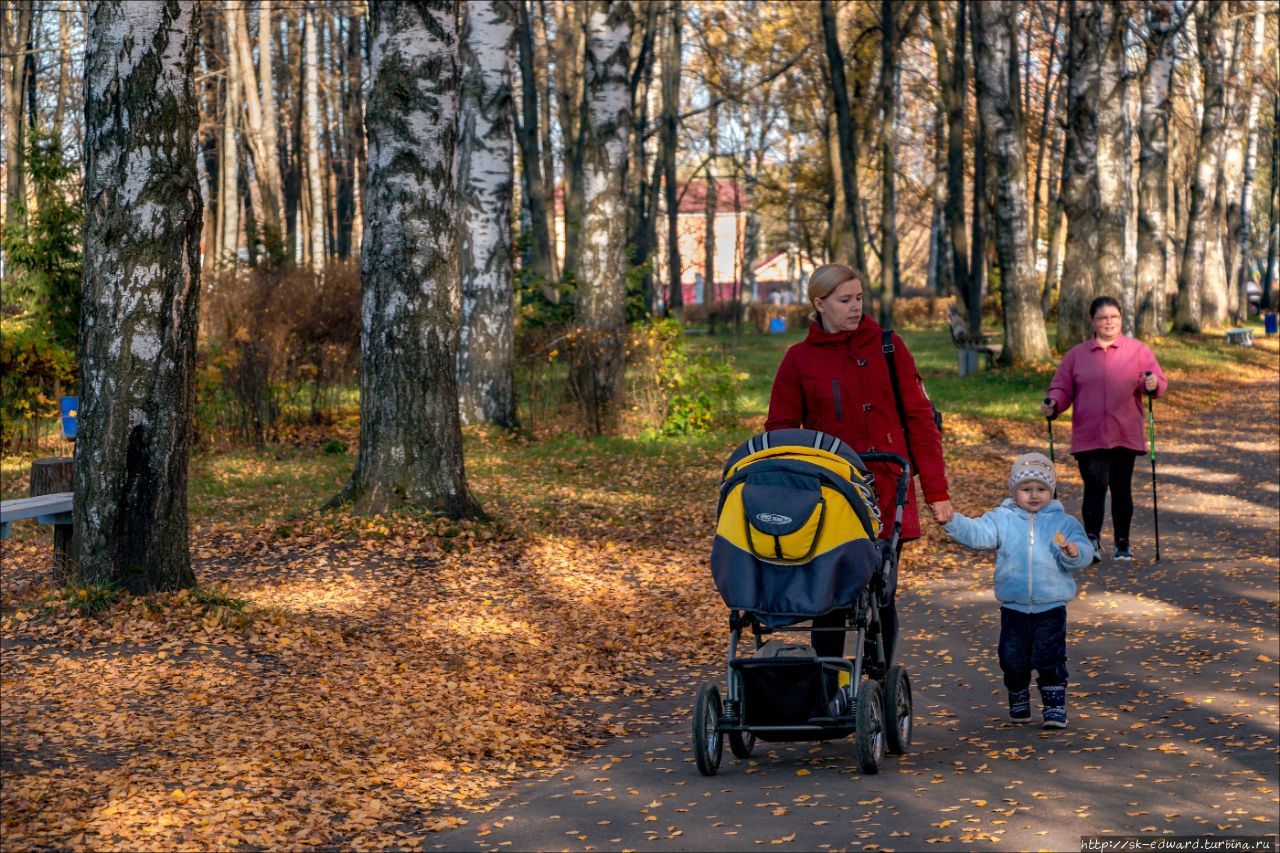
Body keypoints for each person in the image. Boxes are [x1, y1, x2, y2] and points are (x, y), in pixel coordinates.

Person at [765, 263, 952, 671]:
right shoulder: (798, 360)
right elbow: (779, 431)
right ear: (820, 304)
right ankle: (830, 682)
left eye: (859, 298)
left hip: (887, 488)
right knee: (828, 594)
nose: (855, 308)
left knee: (879, 589)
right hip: (827, 495)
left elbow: (920, 419)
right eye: (845, 300)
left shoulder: (889, 346)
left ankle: (877, 679)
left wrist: (937, 492)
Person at [943, 453, 1093, 729]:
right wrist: (952, 521)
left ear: (1051, 491)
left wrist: (1074, 552)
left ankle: (1054, 706)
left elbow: (1084, 552)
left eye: (1041, 489)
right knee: (1012, 660)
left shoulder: (1064, 523)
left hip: (1051, 607)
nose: (1034, 495)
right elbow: (977, 533)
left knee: (1050, 658)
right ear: (1015, 491)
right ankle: (1018, 695)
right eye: (1026, 489)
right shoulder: (1004, 518)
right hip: (1014, 608)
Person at [1041, 295, 1168, 562]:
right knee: (1095, 487)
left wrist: (1153, 384)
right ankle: (1092, 542)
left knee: (1122, 488)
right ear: (1093, 321)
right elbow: (1061, 389)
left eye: (1114, 317)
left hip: (1125, 432)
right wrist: (1054, 404)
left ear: (1121, 319)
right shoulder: (1077, 355)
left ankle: (1123, 543)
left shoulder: (1138, 350)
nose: (1109, 322)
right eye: (1103, 318)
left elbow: (1156, 382)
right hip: (1090, 435)